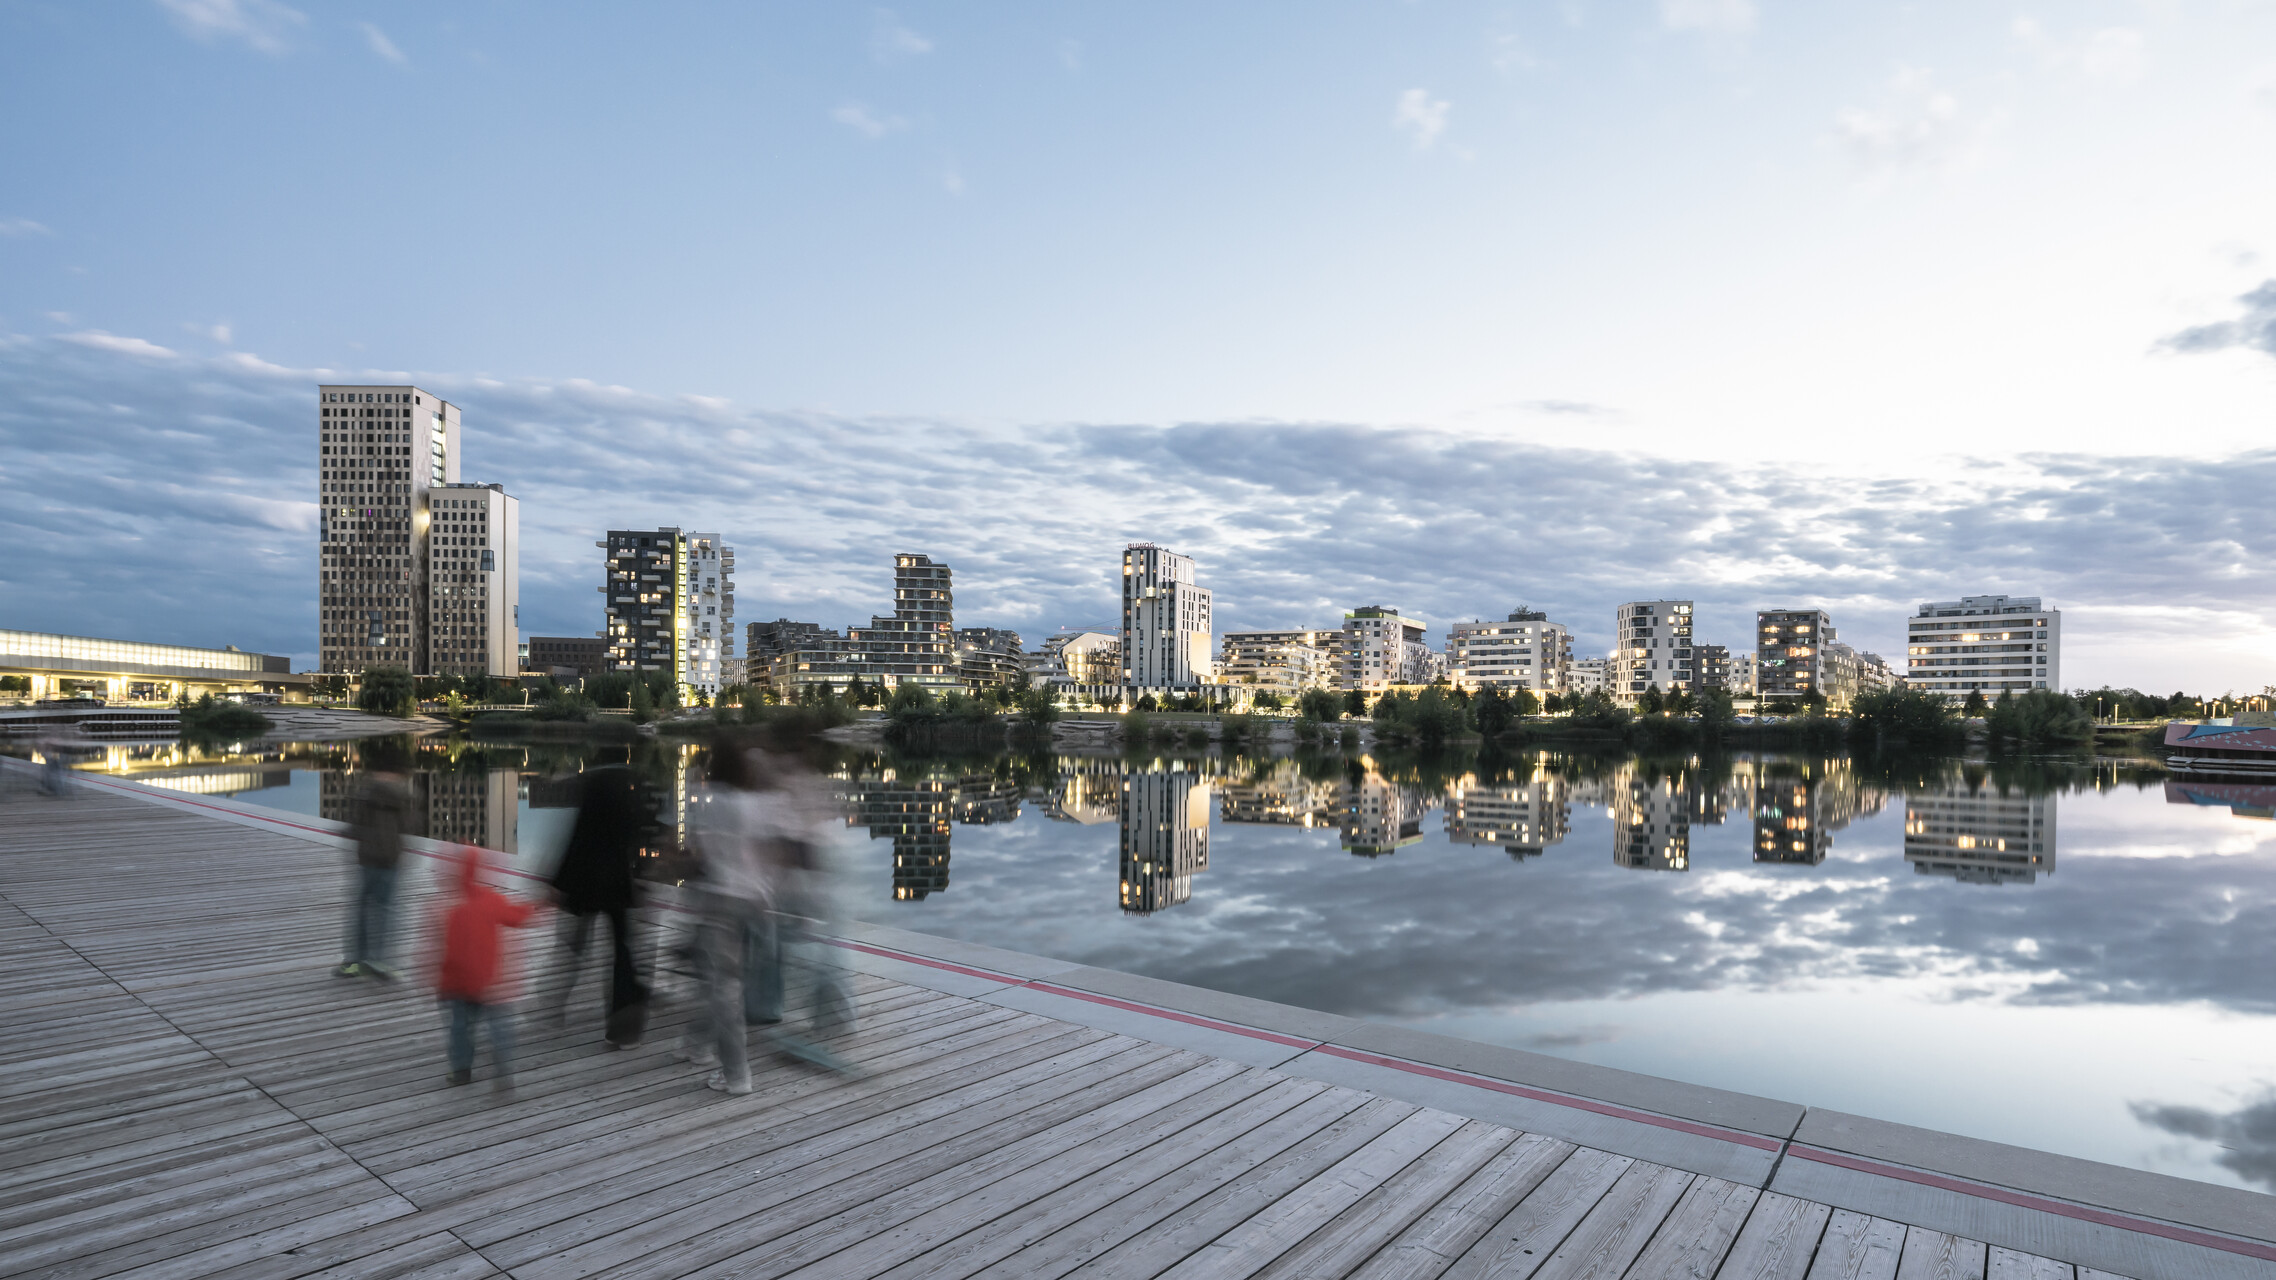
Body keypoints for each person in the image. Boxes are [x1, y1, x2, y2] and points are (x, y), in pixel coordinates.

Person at [675, 743, 776, 1094]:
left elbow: (696, 851)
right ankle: (696, 1043)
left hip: (721, 899)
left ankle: (736, 1074)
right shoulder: (756, 803)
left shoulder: (713, 801)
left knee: (723, 987)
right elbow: (768, 851)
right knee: (724, 981)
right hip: (756, 899)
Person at [548, 764, 650, 1046]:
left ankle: (553, 998)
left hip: (589, 882)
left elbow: (577, 841)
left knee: (576, 942)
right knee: (622, 950)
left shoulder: (593, 788)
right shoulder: (630, 789)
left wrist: (558, 884)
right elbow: (639, 835)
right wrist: (642, 875)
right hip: (619, 883)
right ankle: (624, 1026)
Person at [436, 845, 542, 1091]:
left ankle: (461, 1069)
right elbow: (517, 916)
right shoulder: (491, 900)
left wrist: (437, 981)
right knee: (500, 1025)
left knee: (460, 1028)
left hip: (457, 982)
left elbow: (436, 945)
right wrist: (540, 906)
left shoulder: (449, 905)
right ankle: (503, 1066)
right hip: (489, 981)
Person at [337, 753, 412, 980]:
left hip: (369, 859)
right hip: (388, 860)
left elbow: (355, 825)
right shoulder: (403, 796)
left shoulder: (365, 793)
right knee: (385, 911)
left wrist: (349, 832)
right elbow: (409, 825)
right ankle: (378, 960)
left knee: (362, 911)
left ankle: (357, 960)